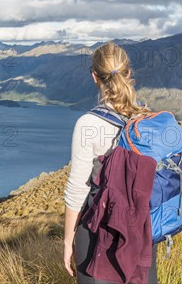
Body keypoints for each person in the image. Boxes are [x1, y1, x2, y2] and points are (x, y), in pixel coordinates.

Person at [63, 42, 158, 284]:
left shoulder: (88, 124)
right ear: (128, 74)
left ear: (95, 77)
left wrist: (67, 242)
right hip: (141, 230)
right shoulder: (147, 121)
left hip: (98, 232)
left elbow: (77, 190)